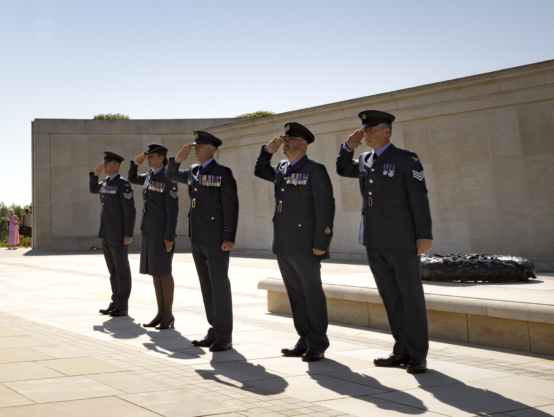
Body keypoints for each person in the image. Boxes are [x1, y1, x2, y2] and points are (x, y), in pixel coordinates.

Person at [337, 110, 433, 375]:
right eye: (363, 130)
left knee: (410, 297)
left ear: (386, 132)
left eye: (370, 130)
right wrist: (348, 147)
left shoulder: (405, 159)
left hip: (401, 240)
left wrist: (424, 235)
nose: (365, 134)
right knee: (391, 297)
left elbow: (418, 197)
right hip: (374, 239)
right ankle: (400, 350)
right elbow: (343, 168)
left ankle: (417, 354)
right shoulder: (366, 159)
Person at [255, 122, 335, 361]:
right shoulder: (280, 167)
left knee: (311, 293)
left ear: (303, 144)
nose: (285, 145)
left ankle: (318, 342)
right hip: (283, 240)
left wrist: (322, 241)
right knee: (295, 294)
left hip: (305, 242)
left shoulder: (315, 170)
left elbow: (326, 207)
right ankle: (304, 338)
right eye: (284, 140)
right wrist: (266, 151)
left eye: (289, 141)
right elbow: (260, 170)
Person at [168, 132, 238, 351]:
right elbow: (172, 175)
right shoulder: (193, 171)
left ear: (211, 149)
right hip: (197, 236)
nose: (195, 149)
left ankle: (224, 335)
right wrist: (177, 159)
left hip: (216, 238)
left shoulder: (222, 172)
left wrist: (229, 237)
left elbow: (231, 205)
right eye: (195, 146)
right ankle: (214, 329)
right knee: (207, 287)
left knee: (219, 286)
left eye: (199, 146)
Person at [129, 144, 179, 330]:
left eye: (151, 156)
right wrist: (135, 164)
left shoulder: (168, 177)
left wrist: (169, 235)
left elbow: (173, 209)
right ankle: (160, 313)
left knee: (164, 272)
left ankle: (168, 315)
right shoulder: (150, 175)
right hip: (149, 230)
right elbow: (132, 178)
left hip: (162, 232)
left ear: (161, 158)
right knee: (155, 273)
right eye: (147, 156)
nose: (148, 159)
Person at [89, 151, 137, 317]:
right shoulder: (106, 182)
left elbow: (130, 210)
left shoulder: (123, 184)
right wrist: (95, 175)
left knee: (122, 269)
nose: (104, 166)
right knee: (113, 270)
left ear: (115, 165)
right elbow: (93, 189)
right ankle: (115, 301)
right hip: (106, 231)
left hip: (118, 233)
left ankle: (122, 305)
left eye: (107, 163)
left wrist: (128, 233)